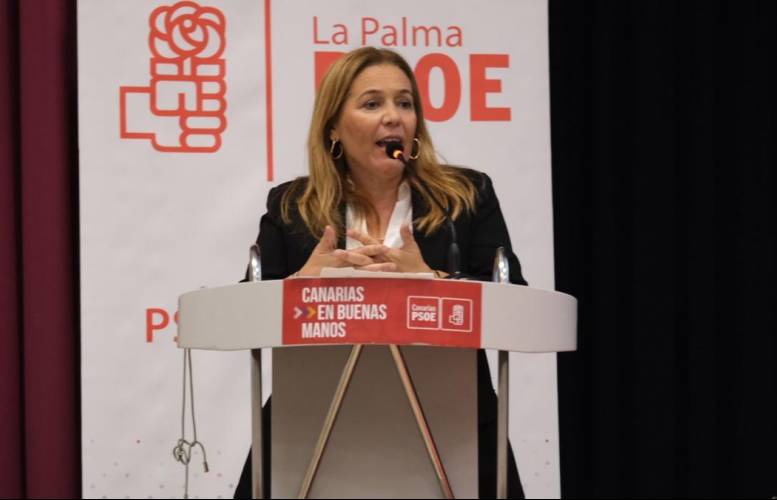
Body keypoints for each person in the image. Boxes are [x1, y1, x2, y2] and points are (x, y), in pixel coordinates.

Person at [235, 46, 526, 499]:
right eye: (372, 104)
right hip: (315, 424)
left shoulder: (465, 198)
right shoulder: (293, 206)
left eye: (404, 103)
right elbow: (241, 317)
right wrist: (298, 285)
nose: (394, 117)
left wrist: (434, 281)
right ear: (334, 127)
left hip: (452, 425)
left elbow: (515, 305)